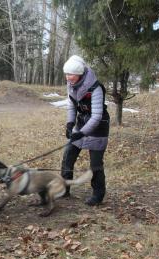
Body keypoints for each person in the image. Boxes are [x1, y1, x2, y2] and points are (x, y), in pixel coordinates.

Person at [60, 55, 110, 206]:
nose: (68, 78)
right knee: (68, 156)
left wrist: (81, 133)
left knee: (95, 164)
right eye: (66, 74)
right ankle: (64, 189)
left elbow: (96, 116)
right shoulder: (71, 85)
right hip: (81, 123)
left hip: (98, 126)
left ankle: (98, 194)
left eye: (71, 74)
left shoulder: (95, 87)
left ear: (80, 74)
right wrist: (70, 124)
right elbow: (72, 105)